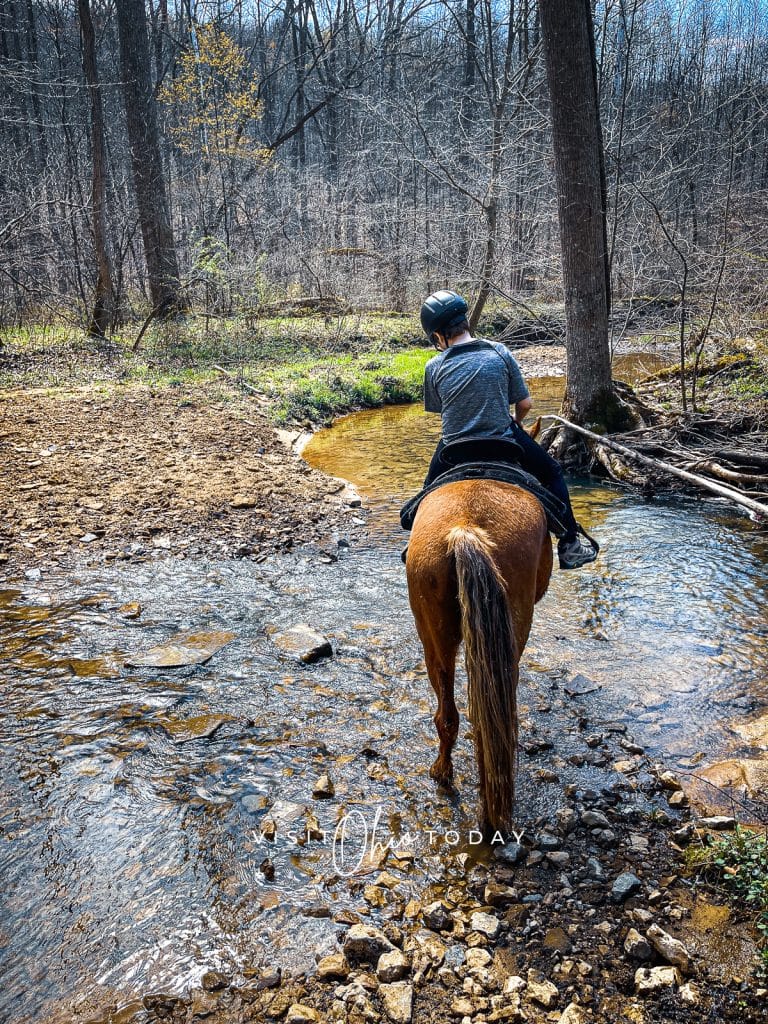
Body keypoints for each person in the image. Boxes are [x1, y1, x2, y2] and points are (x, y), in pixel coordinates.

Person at [419, 289, 598, 570]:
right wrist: (515, 418)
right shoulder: (499, 351)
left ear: (438, 335)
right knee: (552, 472)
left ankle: (415, 547)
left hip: (454, 448)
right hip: (502, 439)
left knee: (426, 493)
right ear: (465, 322)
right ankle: (570, 544)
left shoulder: (433, 366)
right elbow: (525, 403)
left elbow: (443, 410)